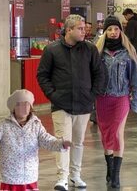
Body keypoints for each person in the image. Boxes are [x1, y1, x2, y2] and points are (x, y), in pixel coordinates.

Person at [37, 14, 104, 191]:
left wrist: (92, 96)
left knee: (78, 142)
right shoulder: (52, 50)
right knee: (63, 141)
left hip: (84, 104)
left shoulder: (90, 49)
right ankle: (62, 178)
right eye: (80, 29)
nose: (85, 31)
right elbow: (42, 75)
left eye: (85, 28)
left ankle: (75, 175)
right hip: (61, 105)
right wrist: (53, 95)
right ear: (69, 30)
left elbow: (99, 74)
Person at [0, 89, 71, 191]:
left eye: (27, 104)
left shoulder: (36, 125)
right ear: (13, 108)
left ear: (31, 107)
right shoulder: (4, 125)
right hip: (10, 178)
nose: (24, 108)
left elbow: (47, 140)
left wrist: (61, 144)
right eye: (19, 104)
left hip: (29, 177)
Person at [95, 15, 137, 188]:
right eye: (110, 30)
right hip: (102, 99)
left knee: (116, 133)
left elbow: (134, 80)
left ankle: (116, 175)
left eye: (116, 29)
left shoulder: (128, 53)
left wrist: (135, 102)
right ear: (105, 32)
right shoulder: (97, 53)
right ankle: (109, 167)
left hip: (121, 99)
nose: (113, 32)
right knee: (106, 134)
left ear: (121, 32)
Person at [122, 8, 137, 81]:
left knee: (133, 69)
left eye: (125, 16)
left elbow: (129, 37)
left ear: (128, 14)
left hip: (134, 49)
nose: (125, 18)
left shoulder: (131, 22)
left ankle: (133, 87)